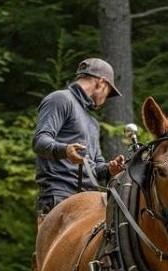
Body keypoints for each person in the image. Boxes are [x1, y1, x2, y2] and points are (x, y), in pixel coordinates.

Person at [33, 57, 126, 216]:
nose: (105, 100)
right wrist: (66, 150)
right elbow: (40, 141)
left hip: (88, 200)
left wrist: (110, 168)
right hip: (60, 196)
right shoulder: (60, 99)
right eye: (108, 93)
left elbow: (96, 167)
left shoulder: (92, 122)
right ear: (101, 83)